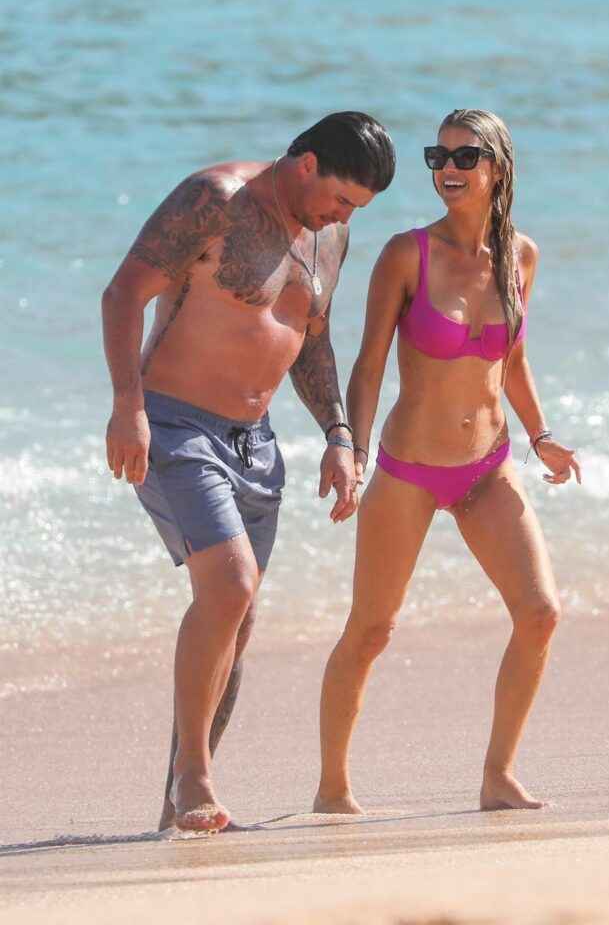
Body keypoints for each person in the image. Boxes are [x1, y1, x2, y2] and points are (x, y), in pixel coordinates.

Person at [101, 112, 395, 832]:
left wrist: (338, 433)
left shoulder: (329, 233)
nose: (343, 216)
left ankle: (177, 804)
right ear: (305, 163)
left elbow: (311, 339)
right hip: (175, 425)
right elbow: (123, 294)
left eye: (357, 208)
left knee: (238, 617)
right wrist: (127, 406)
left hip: (255, 443)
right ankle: (196, 778)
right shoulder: (215, 200)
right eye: (342, 198)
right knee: (229, 587)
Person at [313, 108, 581, 815]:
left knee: (540, 613)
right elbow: (368, 365)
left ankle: (498, 775)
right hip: (408, 467)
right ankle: (332, 787)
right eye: (438, 157)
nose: (448, 170)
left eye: (464, 157)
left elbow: (512, 360)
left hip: (487, 467)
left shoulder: (521, 256)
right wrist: (353, 452)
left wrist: (541, 434)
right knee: (371, 630)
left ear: (498, 166)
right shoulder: (407, 254)